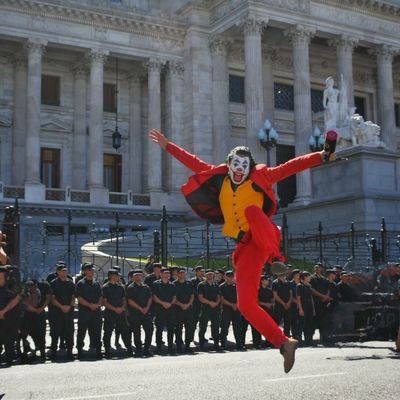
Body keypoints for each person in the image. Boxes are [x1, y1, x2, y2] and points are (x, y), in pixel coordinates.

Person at [149, 128, 335, 372]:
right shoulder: (220, 177)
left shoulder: (263, 175)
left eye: (244, 166)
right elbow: (193, 162)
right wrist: (168, 145)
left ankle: (277, 259)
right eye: (235, 164)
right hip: (247, 246)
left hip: (265, 236)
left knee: (251, 212)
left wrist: (321, 155)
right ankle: (284, 342)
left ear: (249, 167)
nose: (239, 170)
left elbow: (291, 166)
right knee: (246, 305)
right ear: (229, 165)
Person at [102, 269, 133, 358]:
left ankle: (129, 348)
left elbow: (124, 299)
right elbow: (105, 302)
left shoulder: (121, 287)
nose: (119, 277)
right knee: (108, 332)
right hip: (110, 313)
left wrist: (122, 308)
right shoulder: (105, 287)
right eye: (117, 275)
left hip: (120, 313)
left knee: (125, 331)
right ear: (112, 276)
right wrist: (115, 309)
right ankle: (107, 350)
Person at [75, 263, 103, 359]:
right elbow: (79, 298)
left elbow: (100, 296)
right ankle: (80, 351)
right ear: (85, 271)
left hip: (96, 312)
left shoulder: (96, 283)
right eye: (90, 270)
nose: (92, 271)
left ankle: (98, 351)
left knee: (97, 331)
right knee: (82, 332)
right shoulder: (80, 284)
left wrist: (98, 305)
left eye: (92, 270)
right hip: (85, 312)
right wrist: (90, 305)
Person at [49, 263, 76, 360]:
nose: (64, 272)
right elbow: (52, 298)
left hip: (68, 312)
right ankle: (54, 353)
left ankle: (69, 352)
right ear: (58, 272)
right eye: (62, 270)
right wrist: (61, 306)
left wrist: (69, 306)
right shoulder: (53, 283)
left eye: (65, 270)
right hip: (57, 312)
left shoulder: (70, 283)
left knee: (69, 332)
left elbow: (73, 296)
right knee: (56, 332)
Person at [126, 269, 153, 358]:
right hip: (135, 313)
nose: (138, 277)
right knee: (136, 332)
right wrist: (141, 308)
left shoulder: (146, 287)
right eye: (136, 275)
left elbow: (150, 298)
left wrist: (146, 308)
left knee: (149, 330)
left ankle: (146, 349)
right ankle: (138, 349)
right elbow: (130, 301)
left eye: (140, 275)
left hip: (146, 312)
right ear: (133, 277)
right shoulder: (130, 288)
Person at [152, 268, 177, 354]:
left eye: (168, 273)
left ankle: (170, 346)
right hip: (160, 309)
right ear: (161, 274)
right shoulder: (156, 284)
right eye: (165, 273)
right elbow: (154, 296)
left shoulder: (172, 285)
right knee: (159, 328)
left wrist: (170, 304)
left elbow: (174, 297)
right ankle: (159, 346)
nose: (167, 275)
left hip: (170, 310)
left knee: (171, 329)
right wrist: (163, 303)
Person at [0, 266, 21, 365]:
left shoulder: (12, 284)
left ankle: (9, 358)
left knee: (9, 338)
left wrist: (3, 311)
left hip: (9, 315)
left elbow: (16, 299)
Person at [219, 270, 244, 351]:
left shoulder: (236, 286)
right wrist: (232, 305)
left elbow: (240, 296)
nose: (230, 278)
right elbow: (222, 299)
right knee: (224, 327)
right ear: (225, 277)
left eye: (232, 276)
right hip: (226, 309)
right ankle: (222, 344)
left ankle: (239, 344)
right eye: (228, 276)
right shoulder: (222, 286)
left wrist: (236, 305)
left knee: (237, 327)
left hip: (236, 309)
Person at [173, 267, 196, 353]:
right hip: (178, 309)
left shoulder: (189, 283)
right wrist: (181, 305)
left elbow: (192, 295)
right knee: (178, 328)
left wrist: (188, 304)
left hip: (188, 309)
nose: (182, 274)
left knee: (189, 328)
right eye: (180, 273)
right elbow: (173, 298)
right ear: (177, 274)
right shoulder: (174, 284)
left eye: (183, 273)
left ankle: (187, 345)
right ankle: (179, 346)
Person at [197, 269, 221, 351]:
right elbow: (200, 298)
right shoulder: (201, 285)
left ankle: (216, 344)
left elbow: (218, 296)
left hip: (215, 309)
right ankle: (201, 345)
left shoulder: (215, 284)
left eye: (211, 274)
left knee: (216, 326)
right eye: (208, 274)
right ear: (205, 275)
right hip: (205, 308)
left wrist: (216, 303)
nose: (210, 276)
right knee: (203, 326)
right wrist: (210, 302)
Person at [272, 270, 293, 338]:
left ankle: (286, 337)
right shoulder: (275, 283)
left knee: (287, 322)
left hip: (288, 305)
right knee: (276, 322)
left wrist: (289, 303)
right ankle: (274, 337)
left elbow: (291, 294)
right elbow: (275, 295)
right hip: (279, 305)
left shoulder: (288, 283)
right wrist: (283, 303)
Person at [297, 271, 315, 347]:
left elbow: (311, 298)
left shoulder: (309, 286)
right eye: (308, 276)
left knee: (309, 324)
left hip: (309, 307)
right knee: (302, 324)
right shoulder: (299, 286)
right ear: (304, 277)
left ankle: (308, 340)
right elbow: (298, 298)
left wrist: (313, 309)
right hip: (303, 306)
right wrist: (300, 309)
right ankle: (299, 340)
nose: (309, 278)